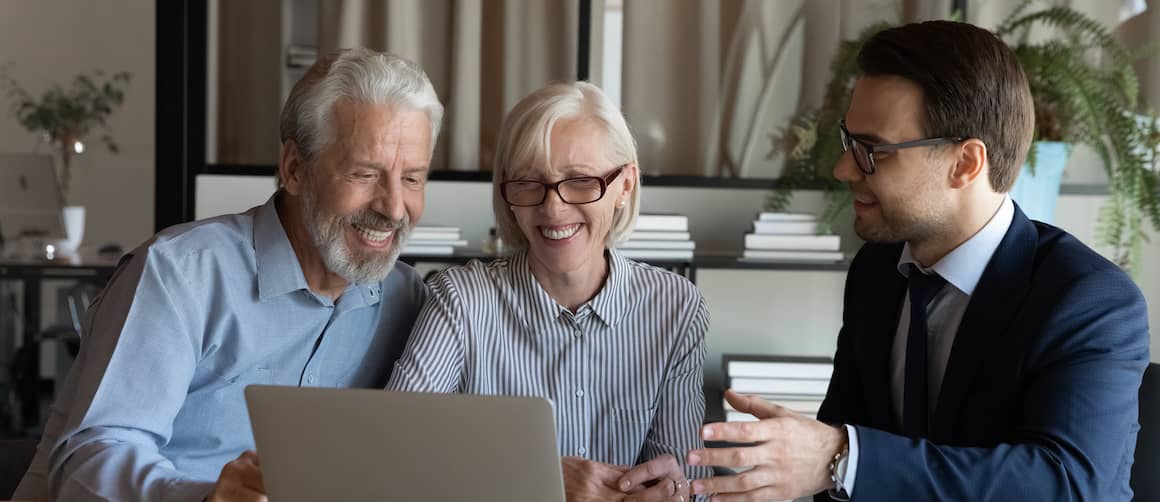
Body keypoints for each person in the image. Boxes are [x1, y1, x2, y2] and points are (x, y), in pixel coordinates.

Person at [686, 20, 1150, 501]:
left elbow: (1070, 484)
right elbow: (837, 470)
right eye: (849, 142)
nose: (843, 168)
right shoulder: (877, 272)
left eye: (874, 152)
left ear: (966, 163)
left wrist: (839, 456)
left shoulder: (1088, 301)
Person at [13, 48, 444, 502]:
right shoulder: (179, 275)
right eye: (365, 174)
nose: (394, 207)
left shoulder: (405, 299)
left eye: (413, 179)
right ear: (295, 169)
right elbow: (88, 461)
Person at [386, 81, 710, 502]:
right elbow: (393, 451)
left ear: (624, 185)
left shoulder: (676, 308)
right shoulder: (460, 300)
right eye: (528, 183)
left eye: (579, 181)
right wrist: (537, 477)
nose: (553, 208)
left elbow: (688, 480)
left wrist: (677, 492)